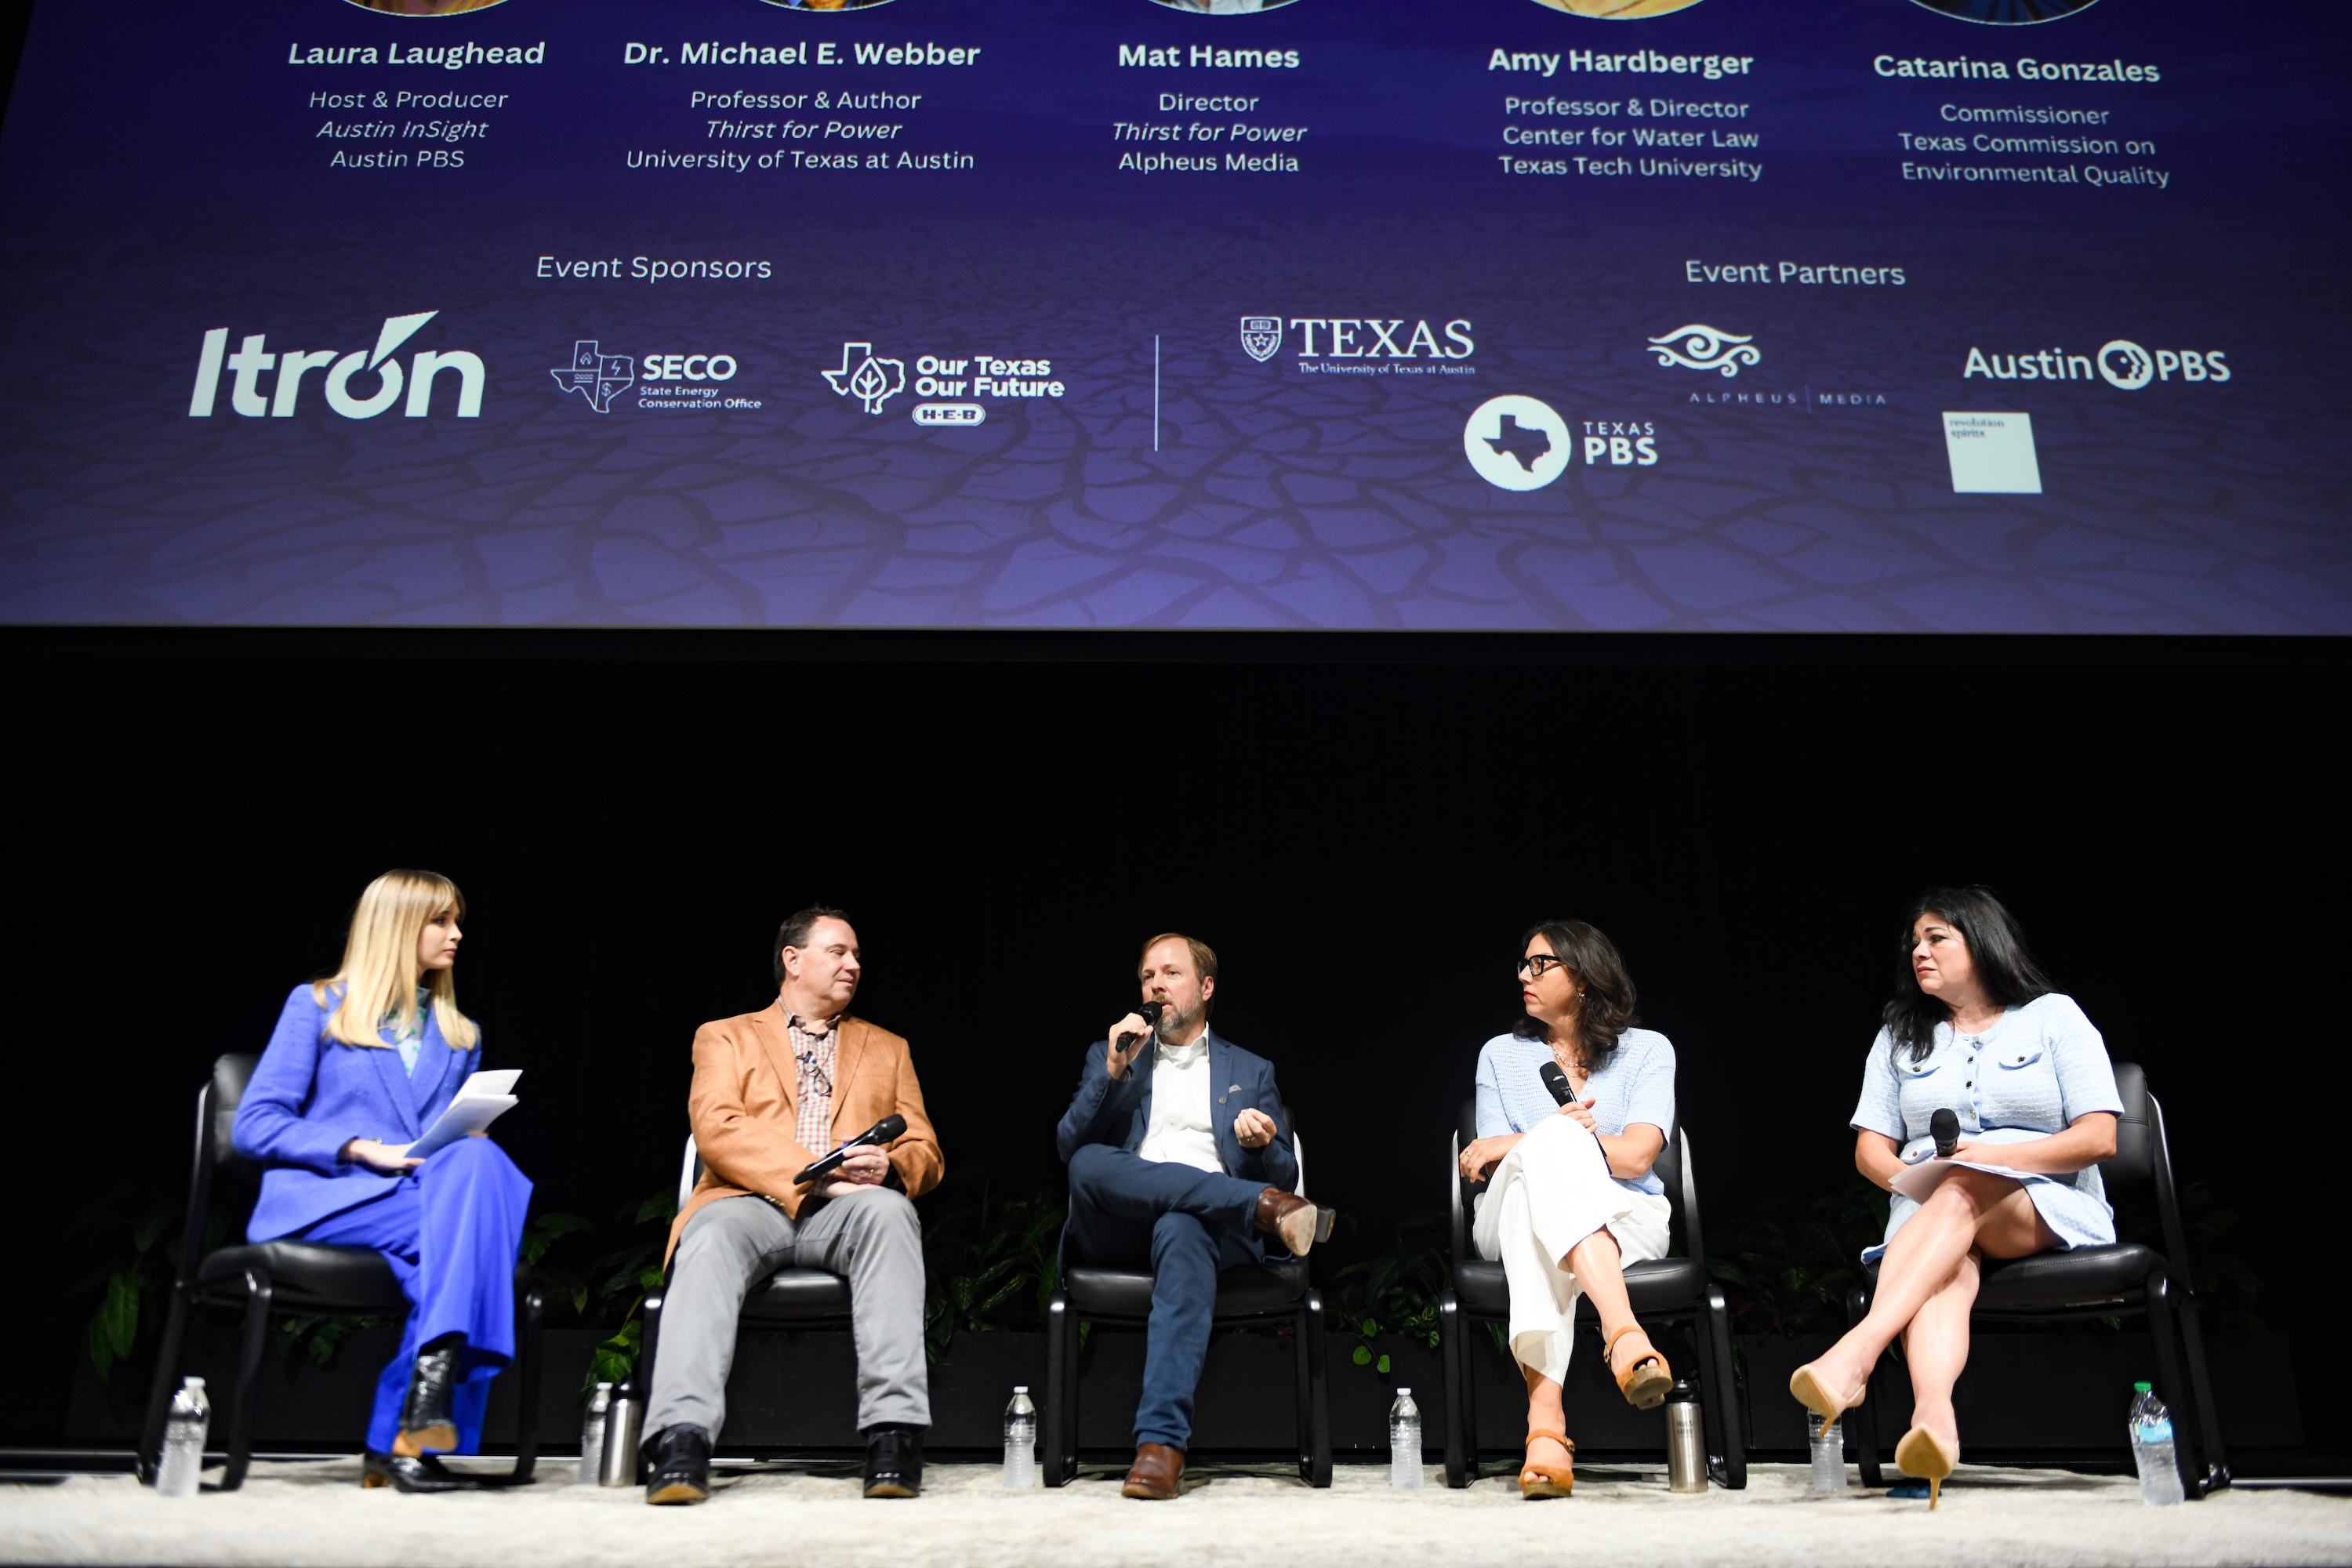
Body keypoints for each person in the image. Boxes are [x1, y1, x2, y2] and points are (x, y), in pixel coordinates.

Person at [1790, 887, 2124, 1508]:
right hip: (1933, 1210)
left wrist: (1992, 1158)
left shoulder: (2054, 1017)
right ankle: (1933, 1424)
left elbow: (2099, 1138)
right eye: (1914, 941)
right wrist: (1907, 1182)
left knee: (1961, 1183)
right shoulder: (1899, 1034)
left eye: (1937, 937)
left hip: (2043, 1203)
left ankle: (1856, 1356)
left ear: (1984, 941)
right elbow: (1871, 1150)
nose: (1920, 951)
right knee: (1946, 1247)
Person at [232, 869, 533, 1494]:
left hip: (411, 1205)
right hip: (329, 1199)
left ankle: (405, 1431)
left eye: (457, 922)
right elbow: (256, 1124)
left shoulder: (460, 1035)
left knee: (478, 1168)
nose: (456, 935)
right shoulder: (317, 1006)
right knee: (475, 1243)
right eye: (440, 921)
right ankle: (419, 1412)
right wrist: (360, 1147)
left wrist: (462, 1138)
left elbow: (442, 1144)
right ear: (396, 927)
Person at [641, 907, 943, 1504]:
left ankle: (894, 1435)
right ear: (793, 959)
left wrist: (892, 1166)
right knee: (709, 1236)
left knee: (891, 1214)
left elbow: (924, 1148)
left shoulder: (888, 1047)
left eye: (856, 955)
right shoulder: (725, 1035)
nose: (853, 964)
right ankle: (681, 1440)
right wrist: (816, 1177)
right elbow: (718, 1129)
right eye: (838, 952)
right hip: (746, 1200)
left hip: (849, 1213)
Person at [1054, 933, 1332, 1501]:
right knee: (1087, 1162)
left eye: (1171, 973)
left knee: (1182, 1225)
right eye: (1147, 975)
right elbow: (1069, 1148)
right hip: (1120, 1231)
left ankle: (1160, 1447)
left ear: (1205, 988)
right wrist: (1112, 1072)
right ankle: (1253, 1208)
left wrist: (1263, 1144)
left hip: (1204, 1236)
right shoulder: (1114, 1055)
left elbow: (1281, 1172)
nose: (1156, 984)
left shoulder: (1250, 1069)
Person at [1457, 920, 1677, 1498]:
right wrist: (1551, 1138)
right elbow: (1493, 1168)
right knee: (1544, 1161)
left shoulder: (1649, 1051)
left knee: (1551, 1159)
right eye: (1523, 965)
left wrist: (1541, 1139)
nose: (1523, 976)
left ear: (1582, 977)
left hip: (1629, 1217)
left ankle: (1545, 1424)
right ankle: (1624, 1333)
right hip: (1506, 1214)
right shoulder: (1501, 1056)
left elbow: (1635, 1157)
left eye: (1540, 965)